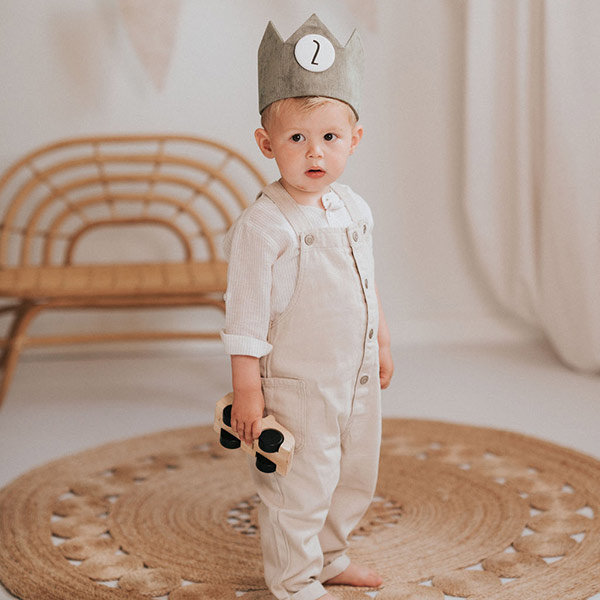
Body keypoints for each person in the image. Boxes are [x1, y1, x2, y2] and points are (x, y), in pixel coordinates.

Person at [221, 14, 394, 600]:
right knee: (299, 486)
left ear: (354, 139)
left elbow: (368, 283)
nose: (314, 152)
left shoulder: (356, 209)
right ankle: (294, 581)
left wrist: (382, 342)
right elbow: (245, 319)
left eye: (329, 138)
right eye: (296, 138)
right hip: (298, 389)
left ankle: (331, 555)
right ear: (267, 144)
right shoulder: (263, 226)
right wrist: (247, 390)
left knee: (352, 475)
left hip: (355, 379)